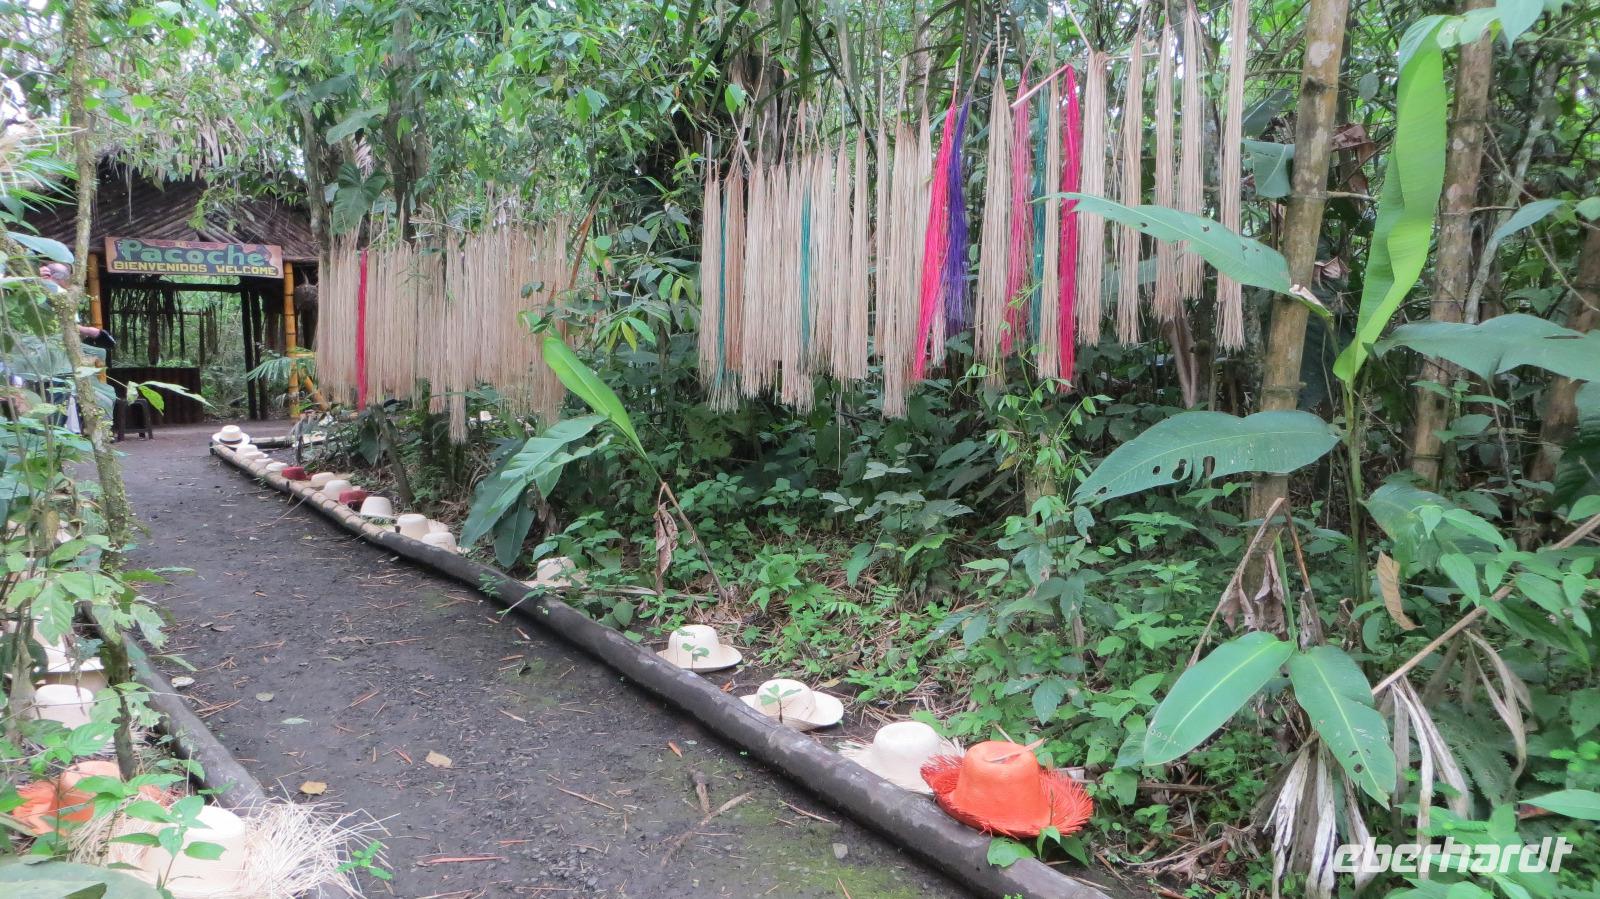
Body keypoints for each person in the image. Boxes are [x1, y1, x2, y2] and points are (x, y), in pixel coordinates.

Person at [39, 262, 115, 350]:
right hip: (50, 343)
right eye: (68, 277)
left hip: (29, 340)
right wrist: (91, 332)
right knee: (99, 352)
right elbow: (69, 326)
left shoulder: (32, 286)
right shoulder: (62, 293)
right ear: (60, 277)